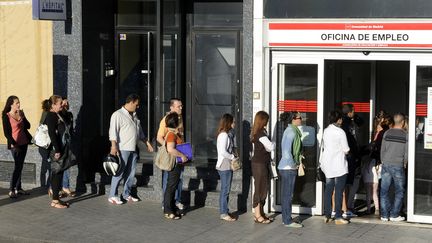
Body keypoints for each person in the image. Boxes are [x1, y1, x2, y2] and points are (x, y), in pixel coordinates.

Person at [108, 94, 154, 205]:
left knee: (131, 173)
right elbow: (113, 132)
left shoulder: (134, 115)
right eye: (136, 104)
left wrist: (147, 143)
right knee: (119, 172)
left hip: (133, 148)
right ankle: (112, 195)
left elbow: (140, 132)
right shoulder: (117, 114)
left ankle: (126, 194)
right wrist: (113, 146)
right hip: (122, 148)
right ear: (131, 102)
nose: (137, 107)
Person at [321, 110, 350, 225]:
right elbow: (346, 149)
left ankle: (327, 215)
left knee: (328, 190)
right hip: (339, 165)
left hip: (328, 165)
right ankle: (338, 216)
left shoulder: (326, 130)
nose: (342, 121)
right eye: (341, 119)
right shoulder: (340, 132)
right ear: (338, 120)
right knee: (339, 191)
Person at [44, 95, 72, 208]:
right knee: (57, 174)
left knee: (58, 173)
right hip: (56, 150)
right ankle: (55, 201)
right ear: (53, 105)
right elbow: (52, 134)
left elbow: (67, 120)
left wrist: (64, 107)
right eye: (60, 103)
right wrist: (57, 149)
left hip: (59, 148)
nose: (61, 105)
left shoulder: (57, 114)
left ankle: (56, 198)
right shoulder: (51, 115)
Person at [2, 95, 32, 198]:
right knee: (17, 166)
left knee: (20, 166)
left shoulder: (21, 113)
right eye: (17, 103)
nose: (19, 104)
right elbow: (7, 134)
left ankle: (18, 188)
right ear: (11, 104)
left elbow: (28, 126)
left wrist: (22, 117)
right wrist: (15, 145)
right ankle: (12, 189)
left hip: (24, 143)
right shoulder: (6, 116)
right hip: (15, 144)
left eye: (19, 102)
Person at [157, 98, 185, 210]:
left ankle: (177, 200)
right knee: (168, 180)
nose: (181, 108)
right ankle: (166, 203)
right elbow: (159, 137)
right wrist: (169, 146)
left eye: (181, 106)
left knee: (180, 178)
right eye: (179, 106)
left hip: (179, 151)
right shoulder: (166, 120)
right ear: (171, 107)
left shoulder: (180, 118)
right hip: (171, 153)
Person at [380, 113, 408, 222]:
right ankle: (394, 215)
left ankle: (384, 215)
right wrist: (405, 163)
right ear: (403, 122)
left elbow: (383, 149)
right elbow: (407, 152)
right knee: (399, 191)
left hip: (386, 164)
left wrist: (383, 160)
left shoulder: (387, 133)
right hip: (398, 165)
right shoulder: (405, 135)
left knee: (384, 191)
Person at [278, 111, 304, 228]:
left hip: (287, 167)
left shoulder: (292, 131)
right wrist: (294, 164)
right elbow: (287, 151)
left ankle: (286, 219)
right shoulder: (291, 132)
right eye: (299, 117)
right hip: (288, 167)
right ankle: (287, 221)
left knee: (287, 195)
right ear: (293, 119)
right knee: (288, 195)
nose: (301, 119)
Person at [362, 113, 390, 215]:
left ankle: (371, 208)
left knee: (371, 192)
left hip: (373, 167)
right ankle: (377, 209)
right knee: (375, 191)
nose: (377, 128)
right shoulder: (381, 136)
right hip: (376, 167)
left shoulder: (378, 138)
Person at [251, 111, 275, 224]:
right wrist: (274, 142)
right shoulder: (260, 134)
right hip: (259, 165)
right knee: (260, 189)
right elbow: (270, 147)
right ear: (263, 121)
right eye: (267, 120)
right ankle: (257, 215)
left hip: (260, 163)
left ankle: (261, 213)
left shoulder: (258, 132)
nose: (268, 122)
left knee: (263, 189)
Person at [163, 112, 188, 220]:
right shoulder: (171, 134)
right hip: (174, 163)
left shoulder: (175, 133)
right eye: (178, 120)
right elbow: (170, 149)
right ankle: (168, 210)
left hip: (177, 163)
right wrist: (182, 155)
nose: (180, 121)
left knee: (173, 186)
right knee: (171, 186)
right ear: (175, 122)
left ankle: (172, 208)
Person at [341, 104, 363, 217]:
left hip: (346, 156)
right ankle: (347, 207)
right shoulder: (350, 124)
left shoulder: (341, 124)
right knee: (350, 182)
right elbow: (356, 141)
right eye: (353, 111)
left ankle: (343, 207)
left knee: (345, 182)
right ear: (350, 112)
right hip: (351, 156)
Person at [215, 113, 237, 222]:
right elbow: (223, 152)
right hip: (224, 164)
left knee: (226, 189)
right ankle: (223, 213)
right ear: (228, 122)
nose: (234, 124)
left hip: (226, 163)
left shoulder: (226, 134)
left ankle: (225, 210)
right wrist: (233, 156)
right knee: (225, 190)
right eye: (233, 122)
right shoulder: (223, 135)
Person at [59, 97, 76, 197]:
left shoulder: (69, 115)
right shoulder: (58, 115)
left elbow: (71, 129)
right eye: (64, 104)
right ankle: (54, 188)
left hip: (68, 142)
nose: (66, 105)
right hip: (59, 144)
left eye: (67, 103)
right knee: (58, 165)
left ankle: (65, 186)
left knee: (66, 164)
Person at [39, 99, 51, 191]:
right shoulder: (47, 114)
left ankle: (44, 185)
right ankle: (45, 185)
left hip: (44, 144)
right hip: (45, 142)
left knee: (45, 163)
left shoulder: (45, 113)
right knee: (47, 164)